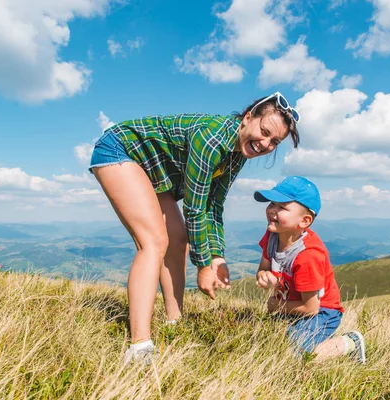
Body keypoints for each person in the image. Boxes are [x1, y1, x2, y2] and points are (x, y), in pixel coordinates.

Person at [88, 92, 301, 363]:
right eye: (264, 131)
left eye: (275, 142)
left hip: (152, 171)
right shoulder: (212, 139)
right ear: (248, 117)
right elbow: (195, 206)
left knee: (178, 239)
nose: (265, 144)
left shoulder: (237, 154)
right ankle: (139, 347)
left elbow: (214, 205)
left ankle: (175, 323)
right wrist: (202, 266)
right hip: (120, 149)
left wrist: (217, 257)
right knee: (153, 242)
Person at [254, 176, 366, 363]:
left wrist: (276, 305)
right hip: (293, 305)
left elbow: (310, 308)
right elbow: (263, 269)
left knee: (293, 354)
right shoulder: (273, 235)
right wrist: (264, 277)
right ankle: (316, 337)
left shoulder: (308, 256)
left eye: (282, 207)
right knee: (266, 339)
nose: (272, 209)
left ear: (305, 221)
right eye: (272, 203)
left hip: (322, 311)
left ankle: (350, 342)